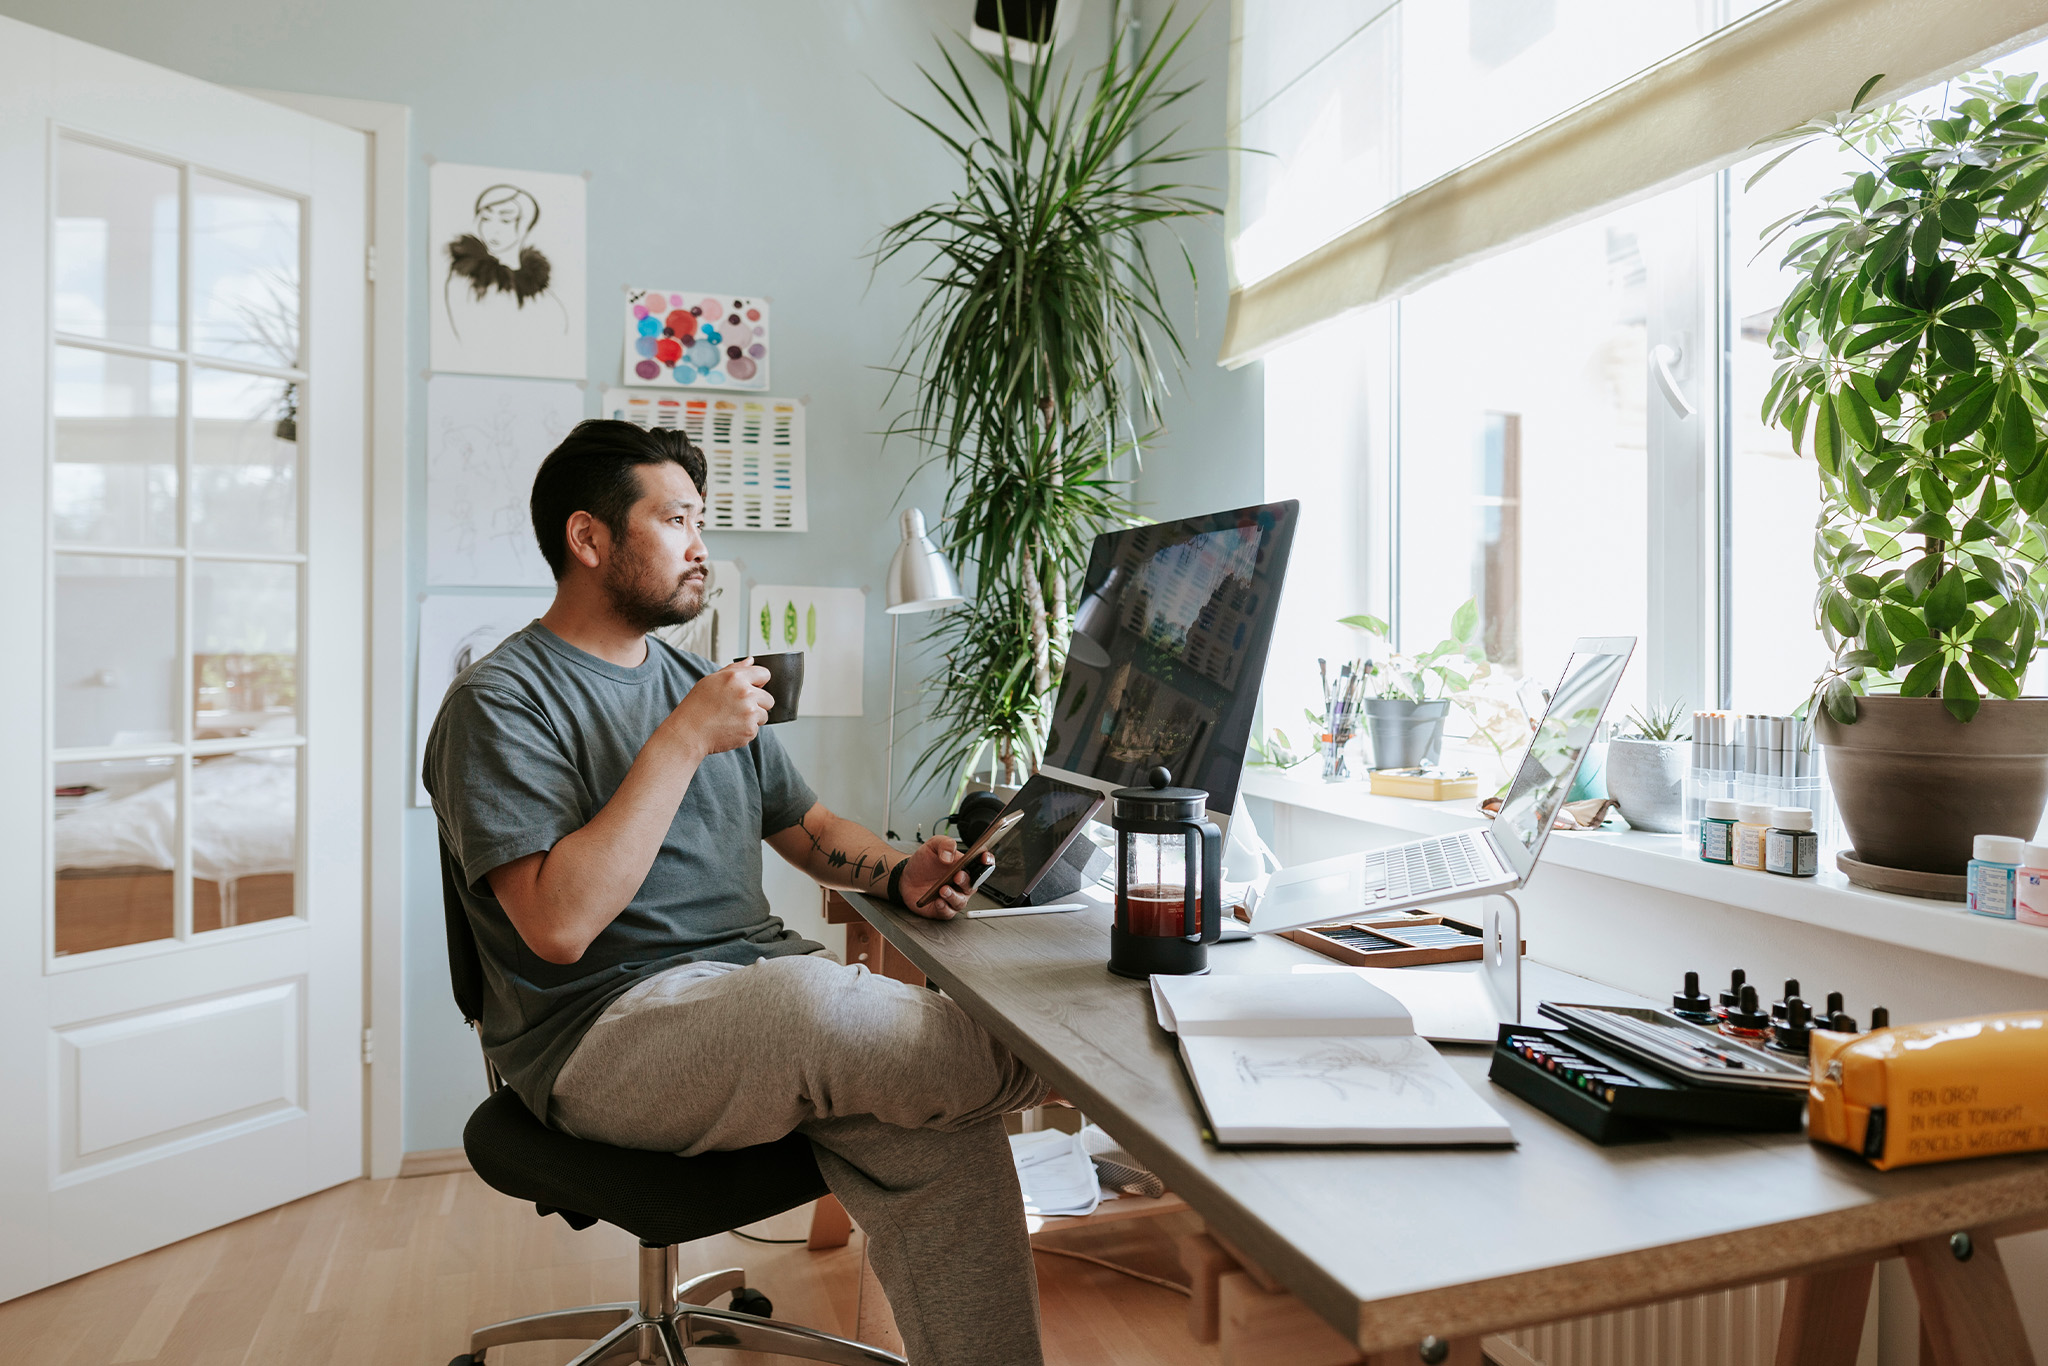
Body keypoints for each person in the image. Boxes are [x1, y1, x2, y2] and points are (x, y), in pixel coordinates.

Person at [424, 420, 1049, 1366]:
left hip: (752, 1003)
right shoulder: (501, 703)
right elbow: (556, 926)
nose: (700, 545)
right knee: (812, 1004)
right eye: (674, 519)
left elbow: (813, 831)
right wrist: (681, 739)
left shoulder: (695, 681)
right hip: (603, 1035)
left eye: (703, 520)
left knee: (945, 1137)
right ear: (589, 540)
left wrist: (901, 870)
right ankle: (1078, 1064)